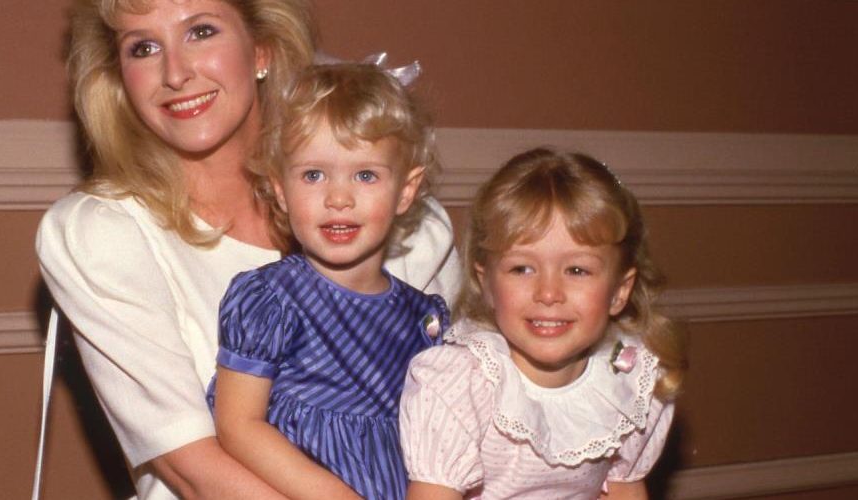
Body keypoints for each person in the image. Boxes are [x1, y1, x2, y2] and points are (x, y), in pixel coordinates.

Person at [35, 0, 461, 498]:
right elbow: (195, 471)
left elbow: (453, 431)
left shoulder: (411, 228)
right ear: (119, 79)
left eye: (201, 32)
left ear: (262, 49)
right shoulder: (102, 234)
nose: (175, 73)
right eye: (144, 47)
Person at [206, 63, 451, 500]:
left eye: (366, 175)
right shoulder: (270, 300)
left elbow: (440, 445)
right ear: (280, 189)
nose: (338, 198)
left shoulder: (422, 318)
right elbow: (238, 425)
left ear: (406, 190)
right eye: (314, 175)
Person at [399, 148, 687, 499]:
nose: (549, 293)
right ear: (486, 284)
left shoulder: (627, 379)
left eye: (577, 270)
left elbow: (625, 489)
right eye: (522, 268)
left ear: (619, 292)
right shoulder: (460, 386)